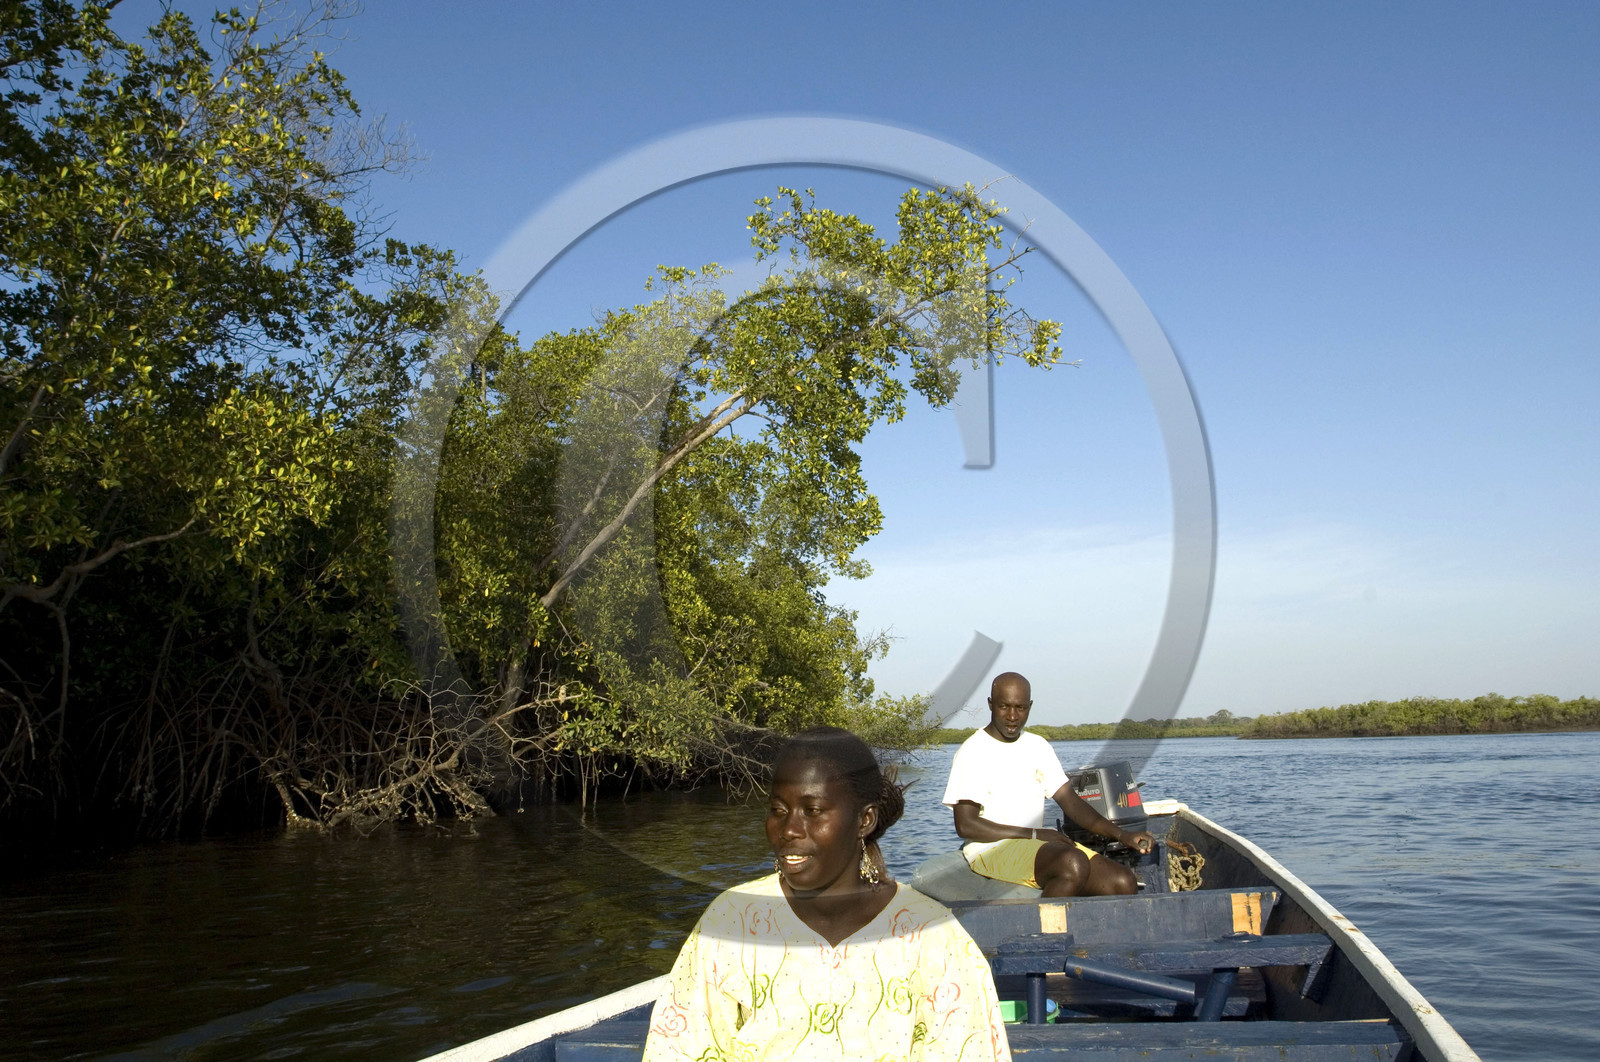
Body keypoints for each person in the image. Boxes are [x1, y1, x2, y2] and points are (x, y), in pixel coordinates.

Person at [643, 727, 1011, 1062]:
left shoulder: (931, 935)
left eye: (813, 810)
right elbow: (679, 1048)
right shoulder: (732, 921)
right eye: (778, 810)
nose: (788, 829)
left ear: (864, 820)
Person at [943, 672, 1155, 898]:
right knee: (1072, 863)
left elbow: (1072, 803)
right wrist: (1035, 834)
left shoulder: (1038, 746)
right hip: (990, 849)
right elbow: (966, 825)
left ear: (1030, 706)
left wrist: (1123, 835)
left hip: (1035, 846)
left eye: (1021, 707)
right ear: (990, 704)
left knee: (1122, 882)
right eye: (1004, 706)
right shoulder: (973, 751)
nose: (1013, 716)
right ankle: (1043, 931)